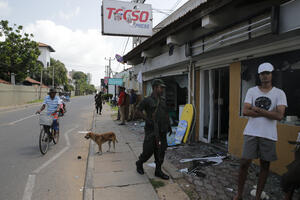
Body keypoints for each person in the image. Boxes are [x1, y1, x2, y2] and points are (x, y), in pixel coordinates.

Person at [234, 63, 287, 200]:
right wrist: (269, 112)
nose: (265, 76)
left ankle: (258, 196)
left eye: (267, 73)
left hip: (268, 135)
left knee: (265, 166)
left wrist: (257, 110)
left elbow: (280, 115)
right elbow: (245, 111)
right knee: (244, 163)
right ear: (259, 75)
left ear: (272, 74)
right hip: (251, 132)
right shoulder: (252, 91)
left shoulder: (279, 93)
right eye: (262, 73)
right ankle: (238, 194)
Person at [135, 79, 172, 180]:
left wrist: (169, 125)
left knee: (161, 151)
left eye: (163, 88)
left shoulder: (163, 100)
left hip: (162, 130)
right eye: (161, 87)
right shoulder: (147, 100)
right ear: (155, 88)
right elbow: (138, 111)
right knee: (148, 151)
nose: (163, 89)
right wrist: (147, 119)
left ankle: (158, 171)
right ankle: (139, 163)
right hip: (151, 130)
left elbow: (165, 113)